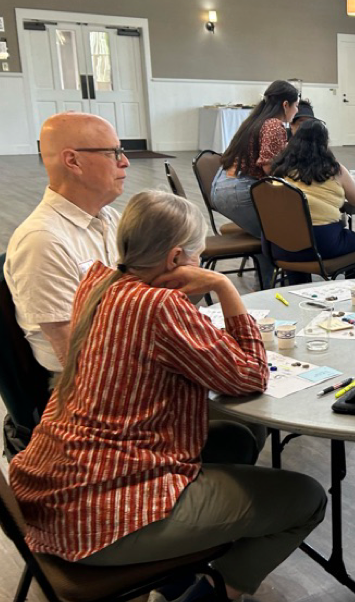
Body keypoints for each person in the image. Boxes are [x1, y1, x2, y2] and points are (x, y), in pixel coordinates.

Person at [9, 191, 326, 601]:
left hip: (55, 490)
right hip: (100, 520)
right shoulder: (158, 306)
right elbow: (250, 375)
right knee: (306, 499)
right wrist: (223, 286)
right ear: (177, 259)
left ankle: (176, 576)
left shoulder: (99, 282)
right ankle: (202, 593)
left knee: (233, 437)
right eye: (198, 256)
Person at [4, 112, 128, 374]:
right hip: (83, 384)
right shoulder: (42, 240)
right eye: (113, 153)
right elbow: (71, 356)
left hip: (120, 355)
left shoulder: (109, 218)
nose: (125, 162)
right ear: (73, 161)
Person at [211, 80, 299, 287]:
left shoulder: (255, 120)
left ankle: (266, 282)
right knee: (279, 235)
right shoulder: (274, 124)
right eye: (296, 106)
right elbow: (269, 168)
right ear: (285, 105)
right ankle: (272, 287)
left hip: (222, 185)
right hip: (238, 191)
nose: (296, 111)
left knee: (266, 237)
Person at [269, 118, 355, 281]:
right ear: (325, 143)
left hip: (282, 244)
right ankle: (353, 293)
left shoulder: (282, 168)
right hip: (321, 242)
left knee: (296, 252)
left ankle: (298, 290)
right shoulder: (333, 169)